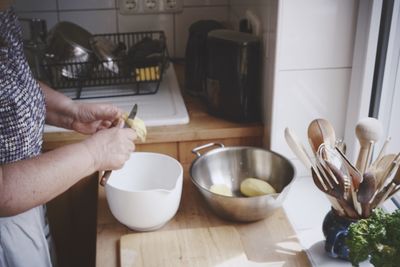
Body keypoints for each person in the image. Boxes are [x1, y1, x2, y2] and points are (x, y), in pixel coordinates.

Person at [0, 2, 137, 266]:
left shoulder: (3, 11)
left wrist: (70, 113)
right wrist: (95, 154)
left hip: (27, 205)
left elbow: (14, 84)